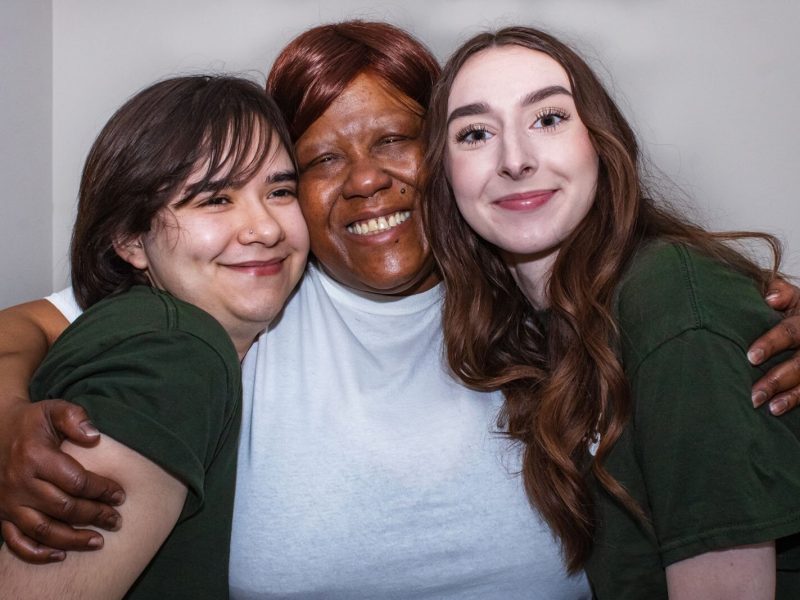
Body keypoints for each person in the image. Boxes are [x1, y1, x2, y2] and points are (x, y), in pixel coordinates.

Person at [0, 20, 799, 598]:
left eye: (395, 140)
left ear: (454, 151)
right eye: (317, 160)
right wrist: (6, 409)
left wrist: (739, 324)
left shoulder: (535, 302)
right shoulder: (249, 298)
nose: (365, 180)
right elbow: (28, 327)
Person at [423, 25, 800, 598]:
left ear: (600, 141)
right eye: (475, 133)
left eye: (548, 119)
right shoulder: (542, 330)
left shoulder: (671, 298)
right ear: (446, 177)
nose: (515, 160)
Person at [0, 75, 309, 598]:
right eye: (215, 199)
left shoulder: (186, 316)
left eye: (280, 191)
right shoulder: (175, 351)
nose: (265, 228)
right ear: (130, 240)